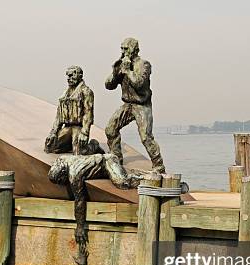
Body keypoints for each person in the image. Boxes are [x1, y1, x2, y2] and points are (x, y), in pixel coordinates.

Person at [104, 38, 165, 173]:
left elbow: (139, 83)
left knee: (146, 137)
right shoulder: (122, 65)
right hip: (127, 104)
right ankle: (117, 160)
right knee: (110, 129)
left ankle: (159, 166)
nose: (123, 51)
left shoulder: (144, 65)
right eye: (122, 48)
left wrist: (127, 71)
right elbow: (108, 86)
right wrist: (116, 71)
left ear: (135, 49)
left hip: (142, 105)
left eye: (126, 48)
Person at [45, 66, 104, 155]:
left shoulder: (86, 92)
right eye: (68, 76)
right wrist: (53, 132)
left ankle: (94, 146)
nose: (69, 78)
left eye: (72, 75)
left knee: (79, 152)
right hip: (67, 127)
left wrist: (85, 132)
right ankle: (69, 145)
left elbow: (88, 114)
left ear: (80, 76)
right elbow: (58, 115)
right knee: (50, 146)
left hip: (78, 127)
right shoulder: (65, 94)